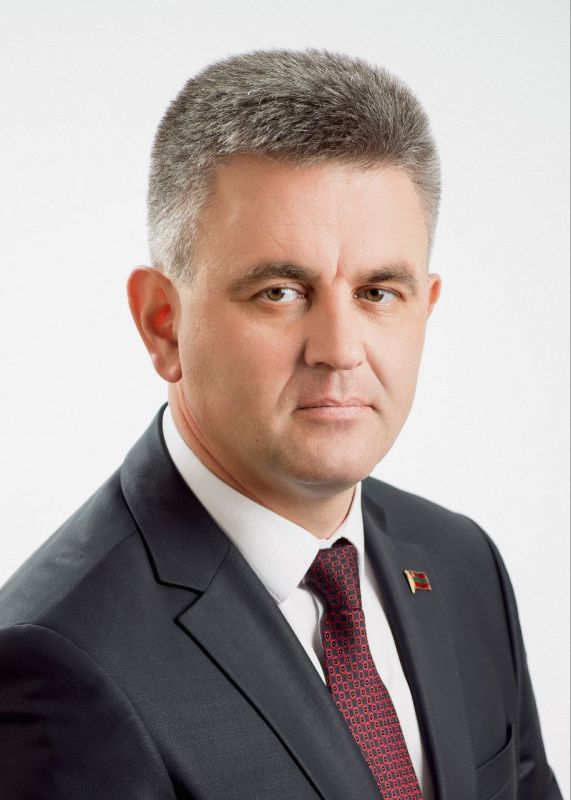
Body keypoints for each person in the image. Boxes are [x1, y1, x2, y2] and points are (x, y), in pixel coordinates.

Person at [0, 48, 562, 800]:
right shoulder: (61, 660)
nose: (339, 350)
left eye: (378, 293)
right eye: (280, 292)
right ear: (164, 323)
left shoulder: (462, 563)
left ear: (425, 308)